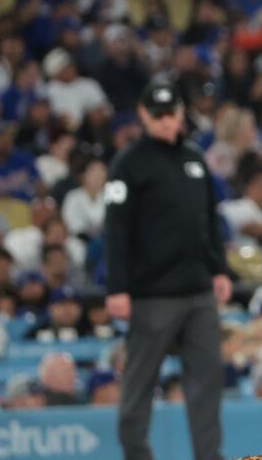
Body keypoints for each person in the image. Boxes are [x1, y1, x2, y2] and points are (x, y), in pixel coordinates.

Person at [105, 78, 231, 460]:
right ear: (143, 115)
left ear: (180, 114)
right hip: (151, 295)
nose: (164, 121)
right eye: (156, 114)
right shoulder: (128, 163)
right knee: (138, 387)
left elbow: (207, 220)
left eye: (170, 113)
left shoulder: (194, 159)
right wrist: (117, 288)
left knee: (207, 384)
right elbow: (116, 228)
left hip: (198, 291)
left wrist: (219, 269)